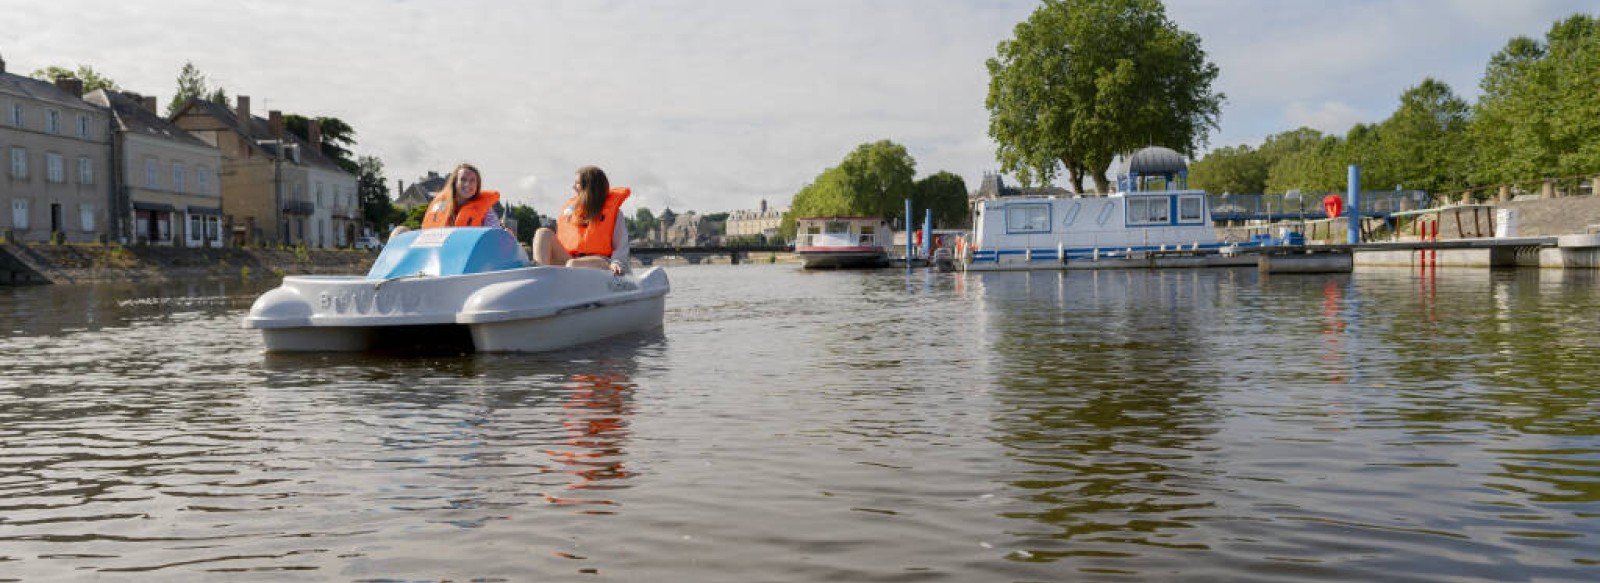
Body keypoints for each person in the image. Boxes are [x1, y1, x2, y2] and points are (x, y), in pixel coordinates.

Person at [532, 165, 631, 275]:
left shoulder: (615, 214)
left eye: (577, 183)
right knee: (542, 233)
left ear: (589, 187)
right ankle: (540, 276)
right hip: (571, 260)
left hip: (601, 262)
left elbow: (621, 246)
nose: (573, 187)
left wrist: (616, 263)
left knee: (573, 264)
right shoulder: (571, 212)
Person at [389, 163, 504, 240]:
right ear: (454, 183)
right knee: (399, 231)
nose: (468, 184)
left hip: (466, 258)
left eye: (472, 181)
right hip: (435, 253)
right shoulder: (440, 205)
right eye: (463, 179)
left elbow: (495, 238)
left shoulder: (486, 212)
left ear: (477, 185)